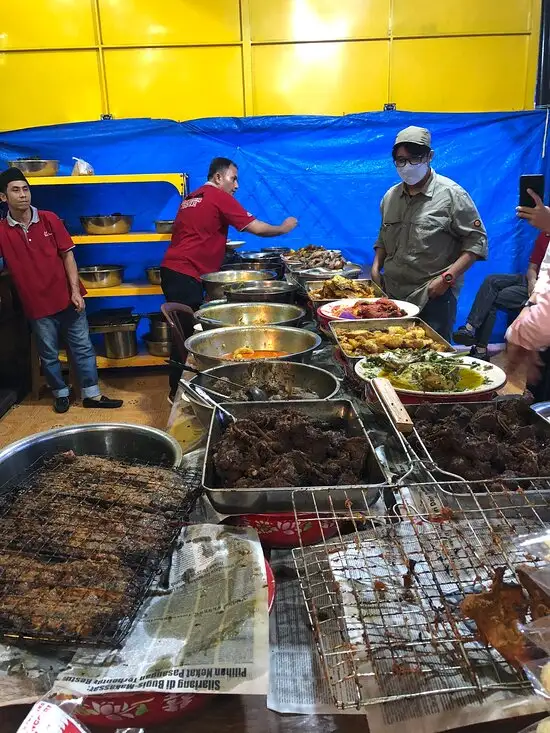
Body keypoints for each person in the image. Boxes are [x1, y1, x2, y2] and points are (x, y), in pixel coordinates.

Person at [161, 156, 298, 400]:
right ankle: (179, 393)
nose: (236, 186)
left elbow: (192, 233)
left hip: (173, 270)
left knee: (182, 334)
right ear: (218, 177)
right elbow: (256, 228)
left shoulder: (192, 198)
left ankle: (178, 390)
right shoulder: (218, 196)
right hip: (186, 273)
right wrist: (283, 228)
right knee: (189, 339)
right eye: (233, 179)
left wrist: (218, 246)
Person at [0, 167, 123, 413]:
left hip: (67, 298)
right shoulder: (2, 232)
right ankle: (61, 394)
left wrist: (75, 291)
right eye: (15, 190)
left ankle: (92, 394)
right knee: (48, 354)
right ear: (3, 197)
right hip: (36, 304)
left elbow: (68, 256)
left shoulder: (49, 219)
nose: (23, 195)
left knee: (83, 347)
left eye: (26, 189)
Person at [371, 126, 488, 343]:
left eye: (414, 159)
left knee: (431, 363)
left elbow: (476, 241)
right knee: (389, 354)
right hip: (392, 294)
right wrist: (376, 267)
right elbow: (383, 236)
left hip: (433, 296)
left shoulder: (452, 195)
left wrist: (447, 279)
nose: (407, 166)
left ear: (429, 156)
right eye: (400, 160)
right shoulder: (390, 197)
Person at [452, 231, 549, 360]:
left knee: (489, 298)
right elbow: (532, 268)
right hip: (532, 283)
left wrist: (537, 292)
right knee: (491, 280)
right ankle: (469, 329)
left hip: (544, 292)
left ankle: (479, 347)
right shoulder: (544, 235)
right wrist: (532, 282)